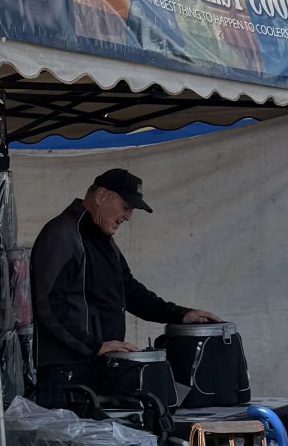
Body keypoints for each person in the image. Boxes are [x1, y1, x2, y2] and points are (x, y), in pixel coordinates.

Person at [28, 167, 218, 403]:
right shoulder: (63, 234)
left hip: (98, 369)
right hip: (67, 375)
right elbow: (48, 303)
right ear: (101, 196)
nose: (128, 216)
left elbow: (130, 291)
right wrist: (94, 346)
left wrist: (182, 314)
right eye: (126, 206)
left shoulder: (103, 240)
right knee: (67, 441)